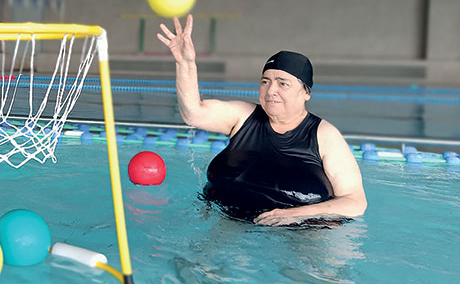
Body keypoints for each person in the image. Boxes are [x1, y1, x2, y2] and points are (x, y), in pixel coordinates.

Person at [157, 15, 367, 226]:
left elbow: (355, 202)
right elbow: (193, 114)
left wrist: (294, 214)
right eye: (265, 81)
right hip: (226, 219)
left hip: (300, 231)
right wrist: (186, 64)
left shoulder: (324, 135)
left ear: (306, 93)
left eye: (282, 84)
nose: (270, 91)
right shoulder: (243, 116)